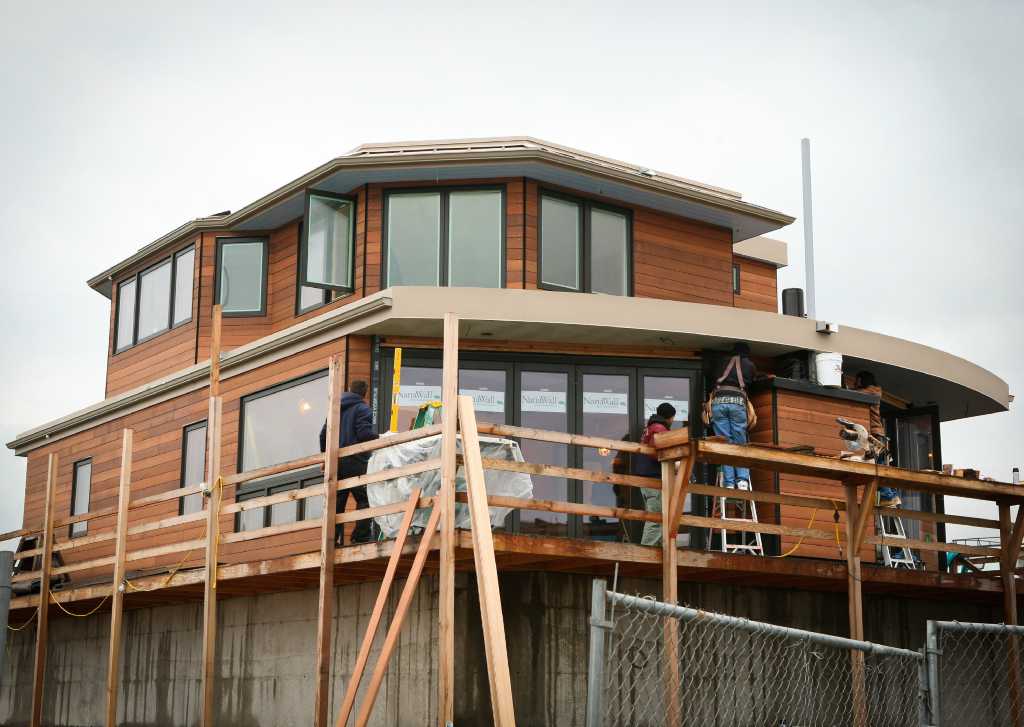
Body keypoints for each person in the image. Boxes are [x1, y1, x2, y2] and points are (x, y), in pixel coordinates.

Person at [319, 380, 379, 545]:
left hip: (336, 463)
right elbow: (363, 434)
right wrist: (379, 438)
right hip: (356, 461)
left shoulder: (334, 409)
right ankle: (360, 537)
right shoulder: (362, 408)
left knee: (337, 502)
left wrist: (325, 458)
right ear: (364, 394)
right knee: (365, 498)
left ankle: (333, 540)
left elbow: (323, 435)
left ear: (350, 390)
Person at [710, 342, 757, 489]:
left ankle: (729, 483)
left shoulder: (721, 362)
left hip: (718, 401)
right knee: (740, 442)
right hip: (737, 402)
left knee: (724, 443)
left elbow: (712, 375)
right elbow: (752, 380)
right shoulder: (749, 365)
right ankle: (742, 480)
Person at [852, 370, 900, 507]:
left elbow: (857, 394)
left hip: (875, 434)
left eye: (857, 380)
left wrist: (848, 389)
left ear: (863, 380)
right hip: (874, 434)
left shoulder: (874, 390)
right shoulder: (871, 390)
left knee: (877, 466)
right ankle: (891, 497)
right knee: (879, 465)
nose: (856, 383)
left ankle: (889, 497)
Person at [632, 403, 677, 546]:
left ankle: (657, 551)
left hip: (647, 478)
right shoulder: (659, 429)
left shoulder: (651, 428)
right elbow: (658, 452)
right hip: (653, 478)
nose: (673, 420)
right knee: (656, 519)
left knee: (658, 517)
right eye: (673, 417)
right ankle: (646, 553)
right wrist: (674, 462)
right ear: (669, 417)